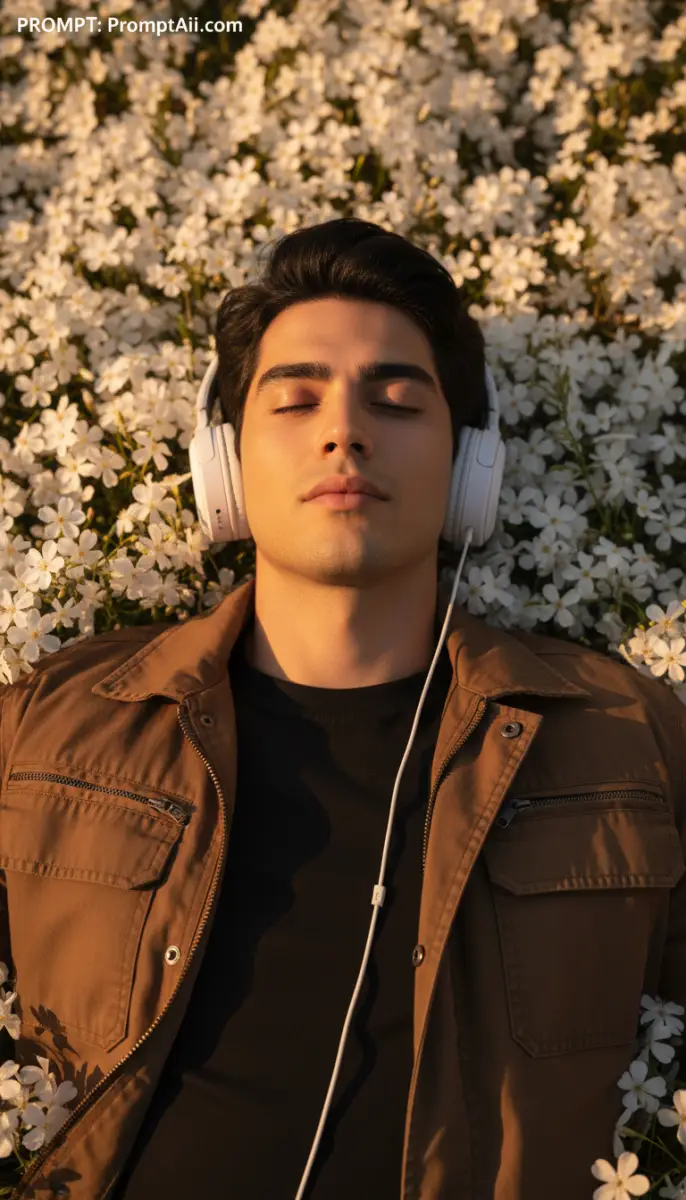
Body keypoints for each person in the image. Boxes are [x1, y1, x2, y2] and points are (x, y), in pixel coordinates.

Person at [0, 218, 685, 1200]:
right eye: (295, 397)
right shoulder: (54, 722)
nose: (344, 429)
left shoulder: (623, 736)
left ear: (467, 469)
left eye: (398, 399)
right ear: (222, 468)